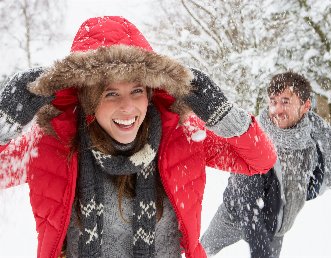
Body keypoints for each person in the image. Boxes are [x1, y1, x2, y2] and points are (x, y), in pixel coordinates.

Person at [0, 16, 277, 258]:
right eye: (110, 93)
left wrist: (223, 114)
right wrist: (4, 122)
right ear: (88, 99)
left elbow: (259, 160)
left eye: (136, 91)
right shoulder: (53, 142)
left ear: (150, 92)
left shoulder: (181, 135)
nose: (128, 107)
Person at [201, 71, 331, 258]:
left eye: (285, 101)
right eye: (273, 102)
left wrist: (310, 188)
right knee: (200, 252)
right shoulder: (255, 134)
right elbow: (245, 195)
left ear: (305, 106)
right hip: (234, 214)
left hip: (276, 224)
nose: (277, 110)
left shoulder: (313, 136)